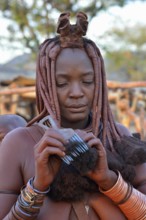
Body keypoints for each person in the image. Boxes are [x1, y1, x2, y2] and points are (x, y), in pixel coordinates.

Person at [0, 12, 146, 220]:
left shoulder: (118, 138)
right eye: (61, 83)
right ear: (45, 85)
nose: (76, 92)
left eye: (87, 82)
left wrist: (109, 181)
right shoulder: (20, 143)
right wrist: (37, 187)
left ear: (99, 83)